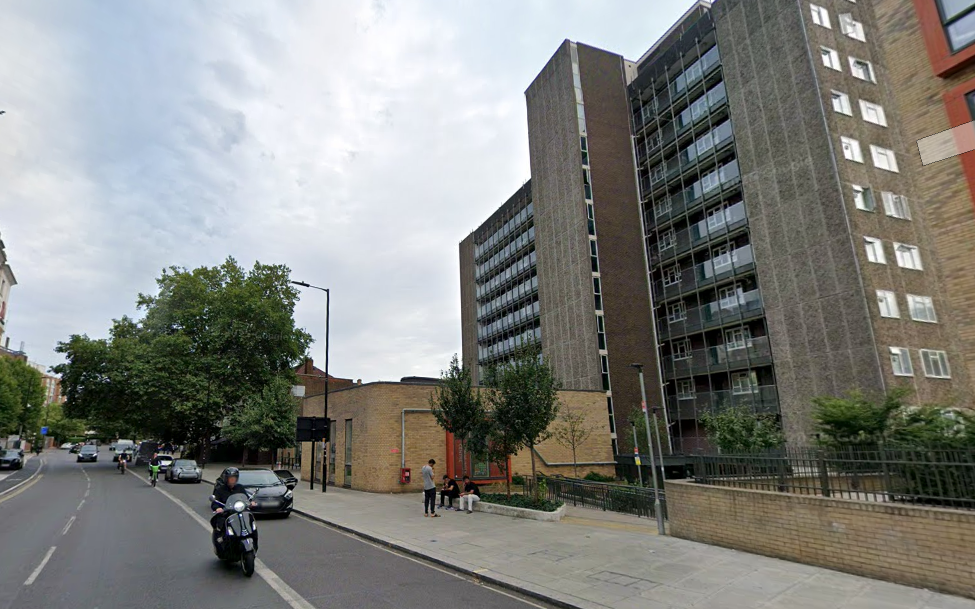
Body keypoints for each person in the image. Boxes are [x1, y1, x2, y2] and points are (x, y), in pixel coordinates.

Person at [210, 467, 258, 549]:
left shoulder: (240, 488)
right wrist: (217, 508)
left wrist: (250, 503)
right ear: (226, 479)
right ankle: (220, 542)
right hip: (227, 513)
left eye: (234, 478)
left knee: (251, 521)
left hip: (240, 512)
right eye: (231, 478)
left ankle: (254, 541)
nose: (233, 480)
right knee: (219, 523)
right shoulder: (220, 489)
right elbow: (214, 503)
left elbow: (246, 499)